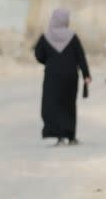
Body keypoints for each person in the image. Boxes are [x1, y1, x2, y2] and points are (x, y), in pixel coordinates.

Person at [34, 8, 91, 145]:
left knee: (53, 105)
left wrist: (49, 62)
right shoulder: (72, 36)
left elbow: (38, 55)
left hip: (52, 76)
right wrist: (86, 74)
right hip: (70, 76)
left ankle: (59, 137)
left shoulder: (45, 37)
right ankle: (71, 136)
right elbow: (80, 56)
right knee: (69, 105)